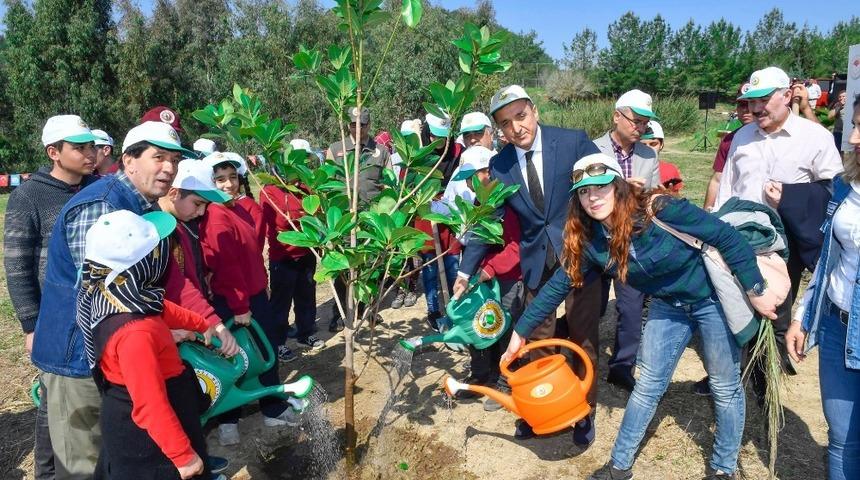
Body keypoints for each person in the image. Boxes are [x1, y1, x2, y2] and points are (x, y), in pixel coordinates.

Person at [502, 153, 779, 480]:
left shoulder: (658, 209)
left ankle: (723, 468)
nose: (592, 198)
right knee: (647, 384)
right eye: (583, 192)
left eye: (600, 187)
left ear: (618, 186)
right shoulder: (591, 241)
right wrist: (520, 332)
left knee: (724, 384)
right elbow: (557, 287)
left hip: (709, 300)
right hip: (665, 304)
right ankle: (619, 466)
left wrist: (756, 289)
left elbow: (725, 236)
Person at [30, 120, 198, 479]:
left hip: (111, 355)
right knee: (82, 464)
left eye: (174, 160)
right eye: (159, 157)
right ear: (129, 160)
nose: (169, 168)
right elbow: (100, 290)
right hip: (79, 358)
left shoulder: (140, 205)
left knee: (106, 461)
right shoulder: (103, 207)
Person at [454, 84, 602, 446]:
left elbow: (605, 185)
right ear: (498, 129)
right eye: (506, 123)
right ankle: (542, 405)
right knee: (538, 337)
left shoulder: (572, 143)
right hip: (536, 262)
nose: (516, 128)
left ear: (534, 110)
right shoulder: (500, 166)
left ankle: (584, 410)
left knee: (583, 335)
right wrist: (464, 272)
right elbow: (486, 220)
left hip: (581, 255)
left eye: (521, 116)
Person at [715, 66, 844, 382]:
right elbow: (728, 188)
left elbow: (834, 193)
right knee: (732, 308)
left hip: (785, 247)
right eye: (751, 101)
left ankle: (765, 378)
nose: (755, 107)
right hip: (740, 240)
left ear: (787, 96)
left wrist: (790, 196)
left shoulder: (815, 137)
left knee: (775, 311)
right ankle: (729, 373)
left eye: (763, 99)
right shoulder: (742, 137)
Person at [77, 209, 225, 480]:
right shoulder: (136, 334)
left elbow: (163, 307)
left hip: (148, 416)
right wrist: (183, 456)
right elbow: (150, 403)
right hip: (150, 442)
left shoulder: (119, 292)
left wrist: (200, 323)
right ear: (147, 262)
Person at [3, 114, 98, 479]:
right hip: (55, 317)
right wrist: (31, 325)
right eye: (80, 148)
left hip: (96, 311)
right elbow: (17, 265)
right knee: (53, 399)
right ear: (54, 152)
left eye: (91, 146)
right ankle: (47, 471)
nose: (90, 153)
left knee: (78, 397)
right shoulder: (29, 196)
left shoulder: (97, 187)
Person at [199, 152, 302, 446]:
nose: (229, 184)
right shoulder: (217, 214)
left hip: (251, 295)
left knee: (259, 353)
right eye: (220, 179)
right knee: (237, 358)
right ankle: (230, 422)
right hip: (235, 300)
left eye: (232, 178)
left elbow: (252, 255)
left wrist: (261, 285)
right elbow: (226, 265)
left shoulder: (234, 209)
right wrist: (241, 306)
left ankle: (268, 410)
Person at [786, 95, 860, 480]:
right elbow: (830, 258)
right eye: (855, 125)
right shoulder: (845, 186)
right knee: (842, 439)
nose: (856, 137)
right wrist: (803, 315)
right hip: (835, 325)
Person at [445, 146, 524, 412]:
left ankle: (505, 379)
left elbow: (517, 247)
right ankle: (483, 375)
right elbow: (477, 239)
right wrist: (463, 272)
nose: (469, 183)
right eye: (466, 178)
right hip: (483, 275)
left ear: (488, 172)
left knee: (505, 327)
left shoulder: (509, 201)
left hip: (509, 277)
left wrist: (489, 269)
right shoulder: (483, 200)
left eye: (473, 177)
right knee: (476, 324)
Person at [592, 89, 661, 392]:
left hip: (630, 242)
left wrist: (645, 195)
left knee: (632, 309)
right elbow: (584, 193)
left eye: (645, 123)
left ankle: (622, 367)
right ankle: (581, 359)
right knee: (590, 308)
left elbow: (656, 197)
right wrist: (620, 188)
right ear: (616, 116)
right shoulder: (592, 150)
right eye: (636, 121)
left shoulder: (649, 154)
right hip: (596, 242)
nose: (641, 128)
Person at [260, 139, 325, 354]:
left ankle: (305, 334)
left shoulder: (308, 188)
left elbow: (317, 216)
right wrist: (301, 216)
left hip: (306, 253)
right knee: (281, 303)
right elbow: (280, 221)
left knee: (306, 296)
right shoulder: (269, 191)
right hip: (283, 256)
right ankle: (278, 343)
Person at [703, 83, 754, 211]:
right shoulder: (729, 140)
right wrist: (706, 213)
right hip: (736, 210)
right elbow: (717, 179)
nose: (746, 109)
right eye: (742, 105)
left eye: (750, 104)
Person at [640, 121, 684, 194]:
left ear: (661, 145)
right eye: (643, 145)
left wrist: (669, 196)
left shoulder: (670, 170)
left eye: (653, 144)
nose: (648, 149)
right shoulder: (627, 169)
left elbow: (677, 197)